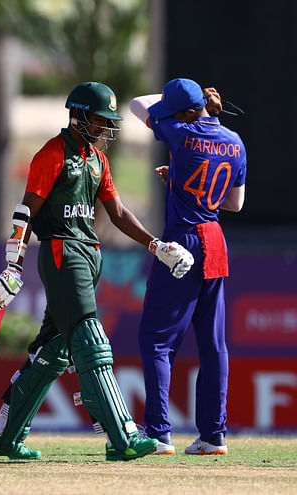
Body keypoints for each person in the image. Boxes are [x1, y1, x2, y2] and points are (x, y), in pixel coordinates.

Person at [0, 81, 195, 461]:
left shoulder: (98, 160)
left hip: (89, 256)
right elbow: (25, 211)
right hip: (62, 254)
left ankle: (3, 434)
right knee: (90, 340)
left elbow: (118, 213)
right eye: (99, 119)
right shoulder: (51, 154)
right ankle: (122, 435)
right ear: (78, 115)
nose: (105, 127)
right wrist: (13, 266)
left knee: (54, 350)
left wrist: (155, 245)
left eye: (108, 120)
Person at [129, 78, 247, 455]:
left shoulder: (180, 131)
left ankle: (159, 433)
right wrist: (180, 179)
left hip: (182, 240)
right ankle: (214, 436)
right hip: (215, 239)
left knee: (157, 341)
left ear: (182, 112)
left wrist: (191, 109)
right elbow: (234, 205)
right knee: (213, 345)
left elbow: (136, 104)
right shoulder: (236, 140)